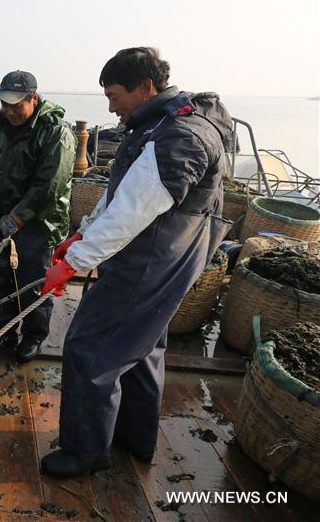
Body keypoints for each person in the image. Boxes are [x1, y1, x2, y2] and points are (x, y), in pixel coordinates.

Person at [40, 47, 232, 477]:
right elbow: (123, 190)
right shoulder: (161, 123)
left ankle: (86, 451)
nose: (110, 105)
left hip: (151, 260)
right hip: (169, 257)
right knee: (141, 346)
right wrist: (84, 231)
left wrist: (72, 262)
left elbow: (133, 212)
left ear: (145, 87)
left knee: (90, 347)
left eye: (114, 95)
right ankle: (136, 437)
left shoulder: (180, 136)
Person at [0, 71, 76, 363]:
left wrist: (18, 218)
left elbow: (49, 185)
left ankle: (33, 337)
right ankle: (4, 332)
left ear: (34, 98)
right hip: (3, 216)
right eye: (4, 104)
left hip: (40, 224)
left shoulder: (55, 132)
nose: (9, 111)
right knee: (0, 277)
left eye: (16, 105)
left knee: (34, 282)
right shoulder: (0, 126)